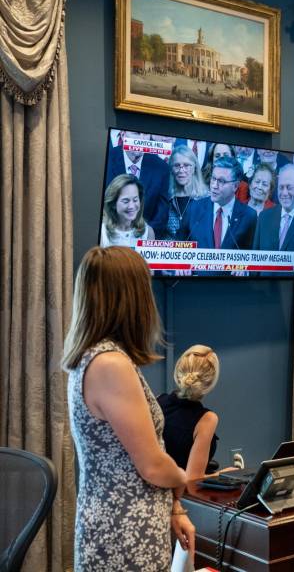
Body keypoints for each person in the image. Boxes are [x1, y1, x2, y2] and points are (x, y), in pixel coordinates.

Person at [64, 246, 195, 570]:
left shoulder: (93, 356)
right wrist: (183, 478)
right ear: (131, 298)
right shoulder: (110, 365)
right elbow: (151, 465)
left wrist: (173, 508)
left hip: (121, 523)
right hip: (124, 532)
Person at [158, 345, 220, 480]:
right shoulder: (207, 420)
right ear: (210, 383)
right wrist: (223, 475)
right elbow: (192, 479)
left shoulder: (158, 401)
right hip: (181, 496)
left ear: (177, 373)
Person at [178, 155, 257, 251]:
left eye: (221, 181)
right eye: (213, 179)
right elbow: (179, 247)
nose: (214, 186)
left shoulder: (249, 216)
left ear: (235, 186)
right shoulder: (194, 208)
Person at [106, 130, 170, 236]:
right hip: (110, 235)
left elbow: (161, 215)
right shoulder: (107, 159)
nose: (141, 139)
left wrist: (146, 235)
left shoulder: (161, 167)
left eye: (145, 134)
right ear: (123, 135)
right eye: (136, 133)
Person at [252, 163, 294, 275]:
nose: (284, 193)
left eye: (289, 187)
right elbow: (255, 262)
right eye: (281, 187)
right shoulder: (264, 217)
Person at [163, 144, 208, 240]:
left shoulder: (207, 198)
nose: (181, 170)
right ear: (171, 169)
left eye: (186, 165)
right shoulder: (166, 197)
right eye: (177, 165)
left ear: (194, 168)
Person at [100, 174, 155, 247]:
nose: (131, 206)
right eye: (126, 201)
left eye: (135, 200)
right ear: (113, 203)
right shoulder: (102, 233)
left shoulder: (148, 232)